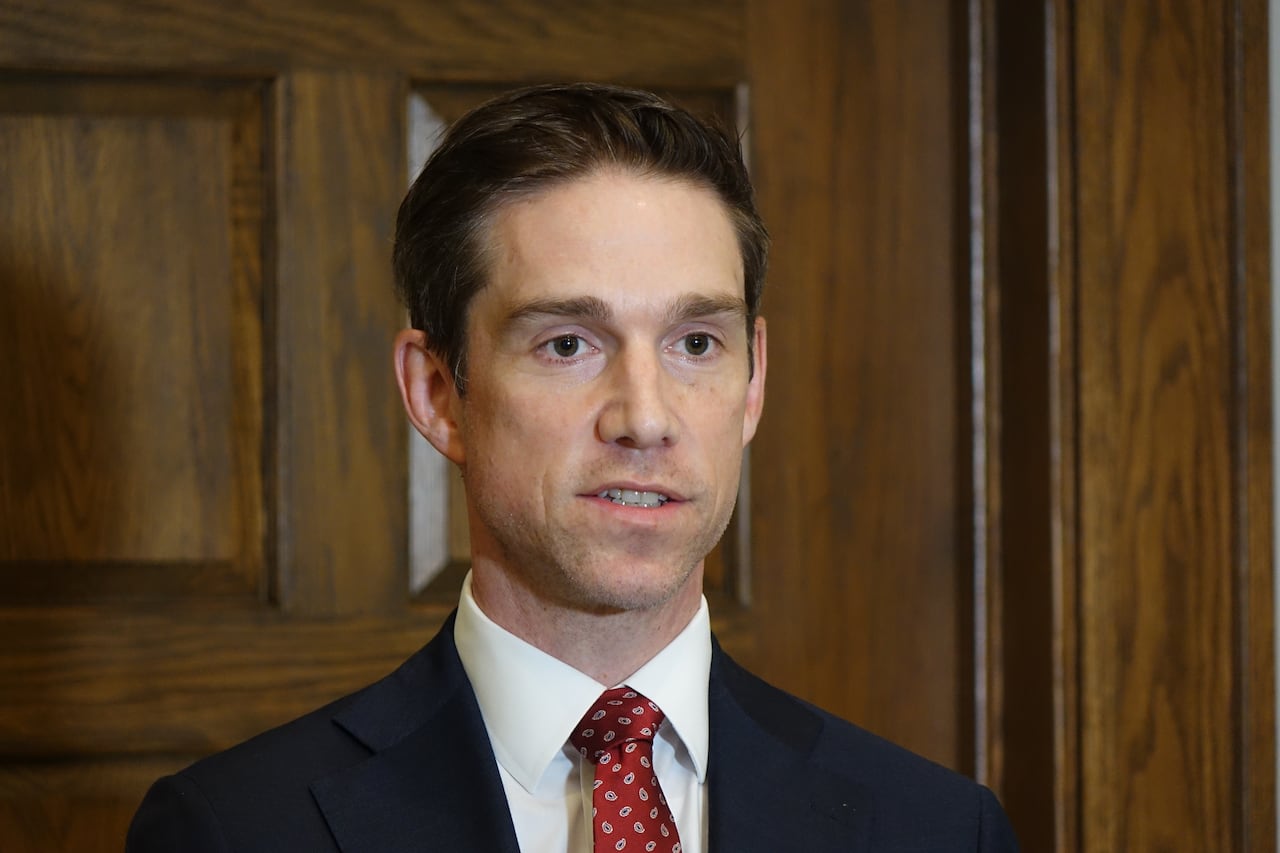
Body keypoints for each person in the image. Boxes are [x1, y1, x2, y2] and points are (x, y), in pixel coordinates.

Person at [127, 82, 1019, 853]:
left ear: (752, 385)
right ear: (439, 393)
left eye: (696, 342)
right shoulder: (238, 829)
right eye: (567, 343)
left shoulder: (938, 827)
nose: (646, 417)